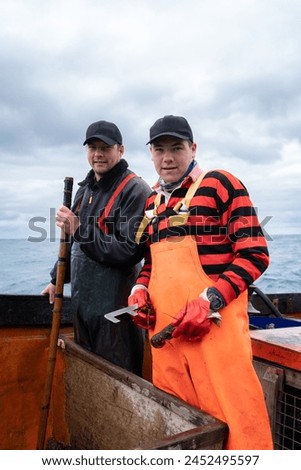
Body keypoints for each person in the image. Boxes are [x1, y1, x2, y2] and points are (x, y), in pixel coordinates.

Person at [128, 114, 273, 449]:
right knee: (178, 423)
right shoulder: (153, 202)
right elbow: (150, 262)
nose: (167, 158)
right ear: (150, 154)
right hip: (167, 341)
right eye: (159, 149)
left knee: (238, 419)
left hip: (216, 334)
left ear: (193, 148)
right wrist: (140, 290)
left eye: (176, 148)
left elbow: (255, 254)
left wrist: (210, 300)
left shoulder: (221, 183)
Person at [42, 120, 151, 376]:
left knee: (118, 381)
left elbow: (128, 251)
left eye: (105, 147)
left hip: (115, 312)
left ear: (121, 150)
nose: (98, 154)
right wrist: (56, 279)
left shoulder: (135, 190)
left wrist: (79, 228)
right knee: (88, 376)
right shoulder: (84, 190)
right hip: (83, 305)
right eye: (93, 147)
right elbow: (73, 244)